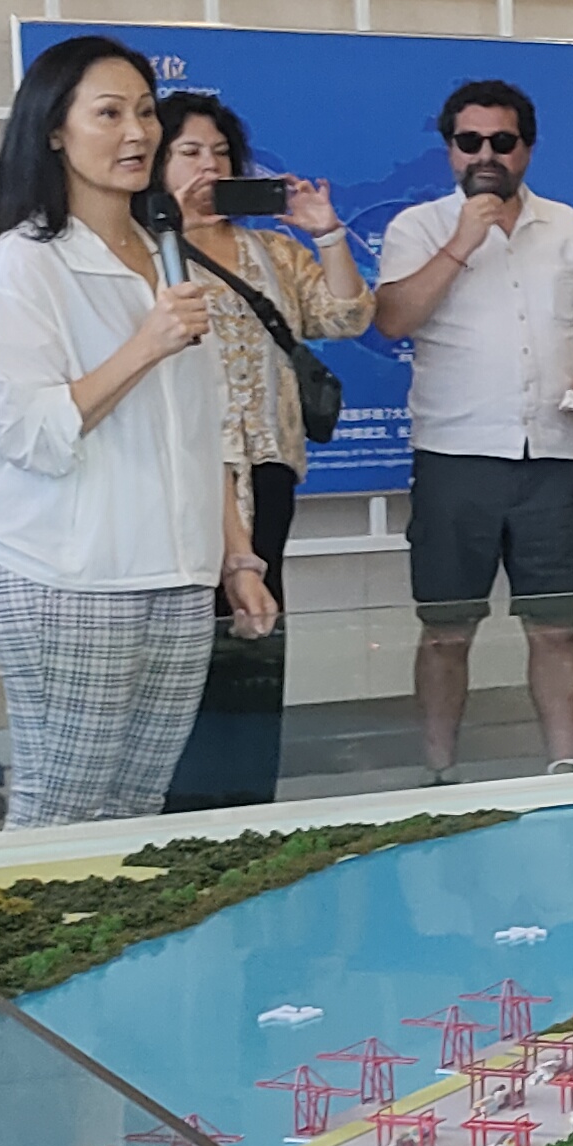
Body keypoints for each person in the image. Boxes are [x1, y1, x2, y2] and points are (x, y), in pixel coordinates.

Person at [0, 38, 271, 828]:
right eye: (108, 114)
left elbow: (200, 430)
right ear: (53, 131)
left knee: (136, 810)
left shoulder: (167, 256)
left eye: (144, 112)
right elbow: (29, 434)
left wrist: (236, 558)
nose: (137, 133)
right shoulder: (22, 265)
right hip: (65, 574)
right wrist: (145, 346)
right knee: (60, 810)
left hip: (175, 574)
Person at [373, 79, 573, 779]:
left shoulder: (570, 228)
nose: (486, 155)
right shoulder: (418, 227)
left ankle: (564, 768)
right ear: (450, 149)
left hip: (552, 456)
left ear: (527, 149)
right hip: (455, 458)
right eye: (469, 141)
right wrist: (462, 240)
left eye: (502, 142)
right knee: (446, 632)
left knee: (556, 625)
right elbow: (392, 320)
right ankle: (438, 773)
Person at [151, 88, 368, 810]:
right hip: (180, 475)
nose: (207, 167)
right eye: (189, 152)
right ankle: (179, 804)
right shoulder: (139, 254)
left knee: (258, 627)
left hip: (269, 468)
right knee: (189, 635)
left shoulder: (269, 250)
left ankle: (246, 797)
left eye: (219, 153)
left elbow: (345, 315)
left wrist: (326, 233)